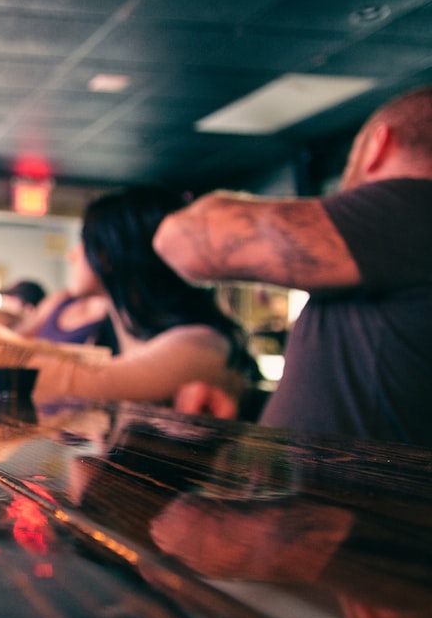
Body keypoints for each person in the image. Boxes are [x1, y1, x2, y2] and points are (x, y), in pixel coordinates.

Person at [154, 85, 432, 446]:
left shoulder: (410, 209)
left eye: (350, 160)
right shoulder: (398, 251)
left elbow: (182, 242)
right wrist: (247, 406)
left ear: (379, 144)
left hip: (351, 498)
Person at [31, 186, 261, 409]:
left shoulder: (202, 345)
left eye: (83, 242)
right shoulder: (111, 330)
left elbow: (94, 382)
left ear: (108, 255)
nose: (71, 255)